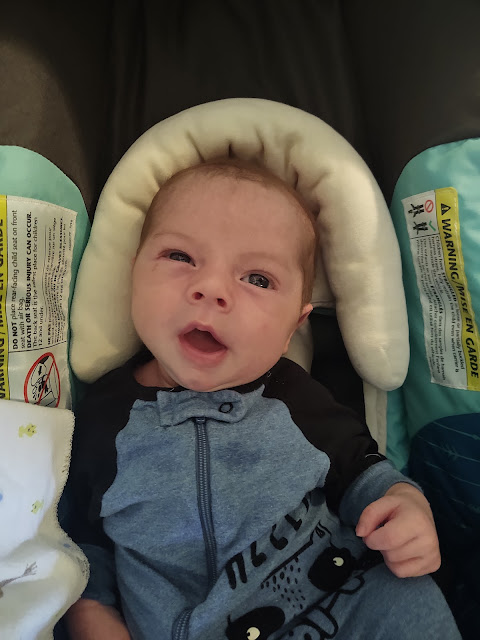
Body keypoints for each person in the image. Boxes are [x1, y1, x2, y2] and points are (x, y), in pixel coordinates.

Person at [65, 159, 461, 640]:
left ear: (294, 324)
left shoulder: (293, 396)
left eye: (257, 279)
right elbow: (84, 540)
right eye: (180, 256)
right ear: (134, 274)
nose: (210, 289)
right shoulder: (105, 416)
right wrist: (92, 611)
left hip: (334, 603)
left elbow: (362, 471)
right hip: (184, 629)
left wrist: (403, 503)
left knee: (404, 594)